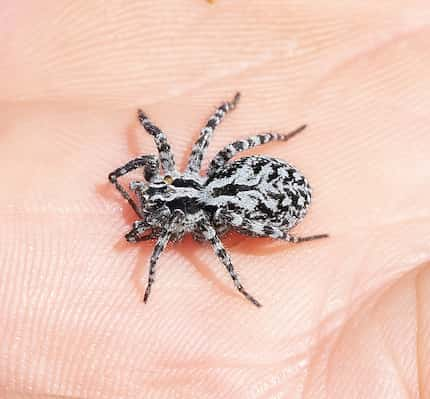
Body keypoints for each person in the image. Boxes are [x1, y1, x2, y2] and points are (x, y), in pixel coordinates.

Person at [1, 1, 428, 398]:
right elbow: (173, 144)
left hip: (269, 197)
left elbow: (187, 242)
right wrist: (125, 167)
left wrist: (166, 275)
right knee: (222, 150)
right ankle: (287, 204)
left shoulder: (200, 221)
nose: (155, 189)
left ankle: (290, 233)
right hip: (244, 181)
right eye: (159, 189)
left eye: (161, 193)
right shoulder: (190, 179)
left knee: (225, 189)